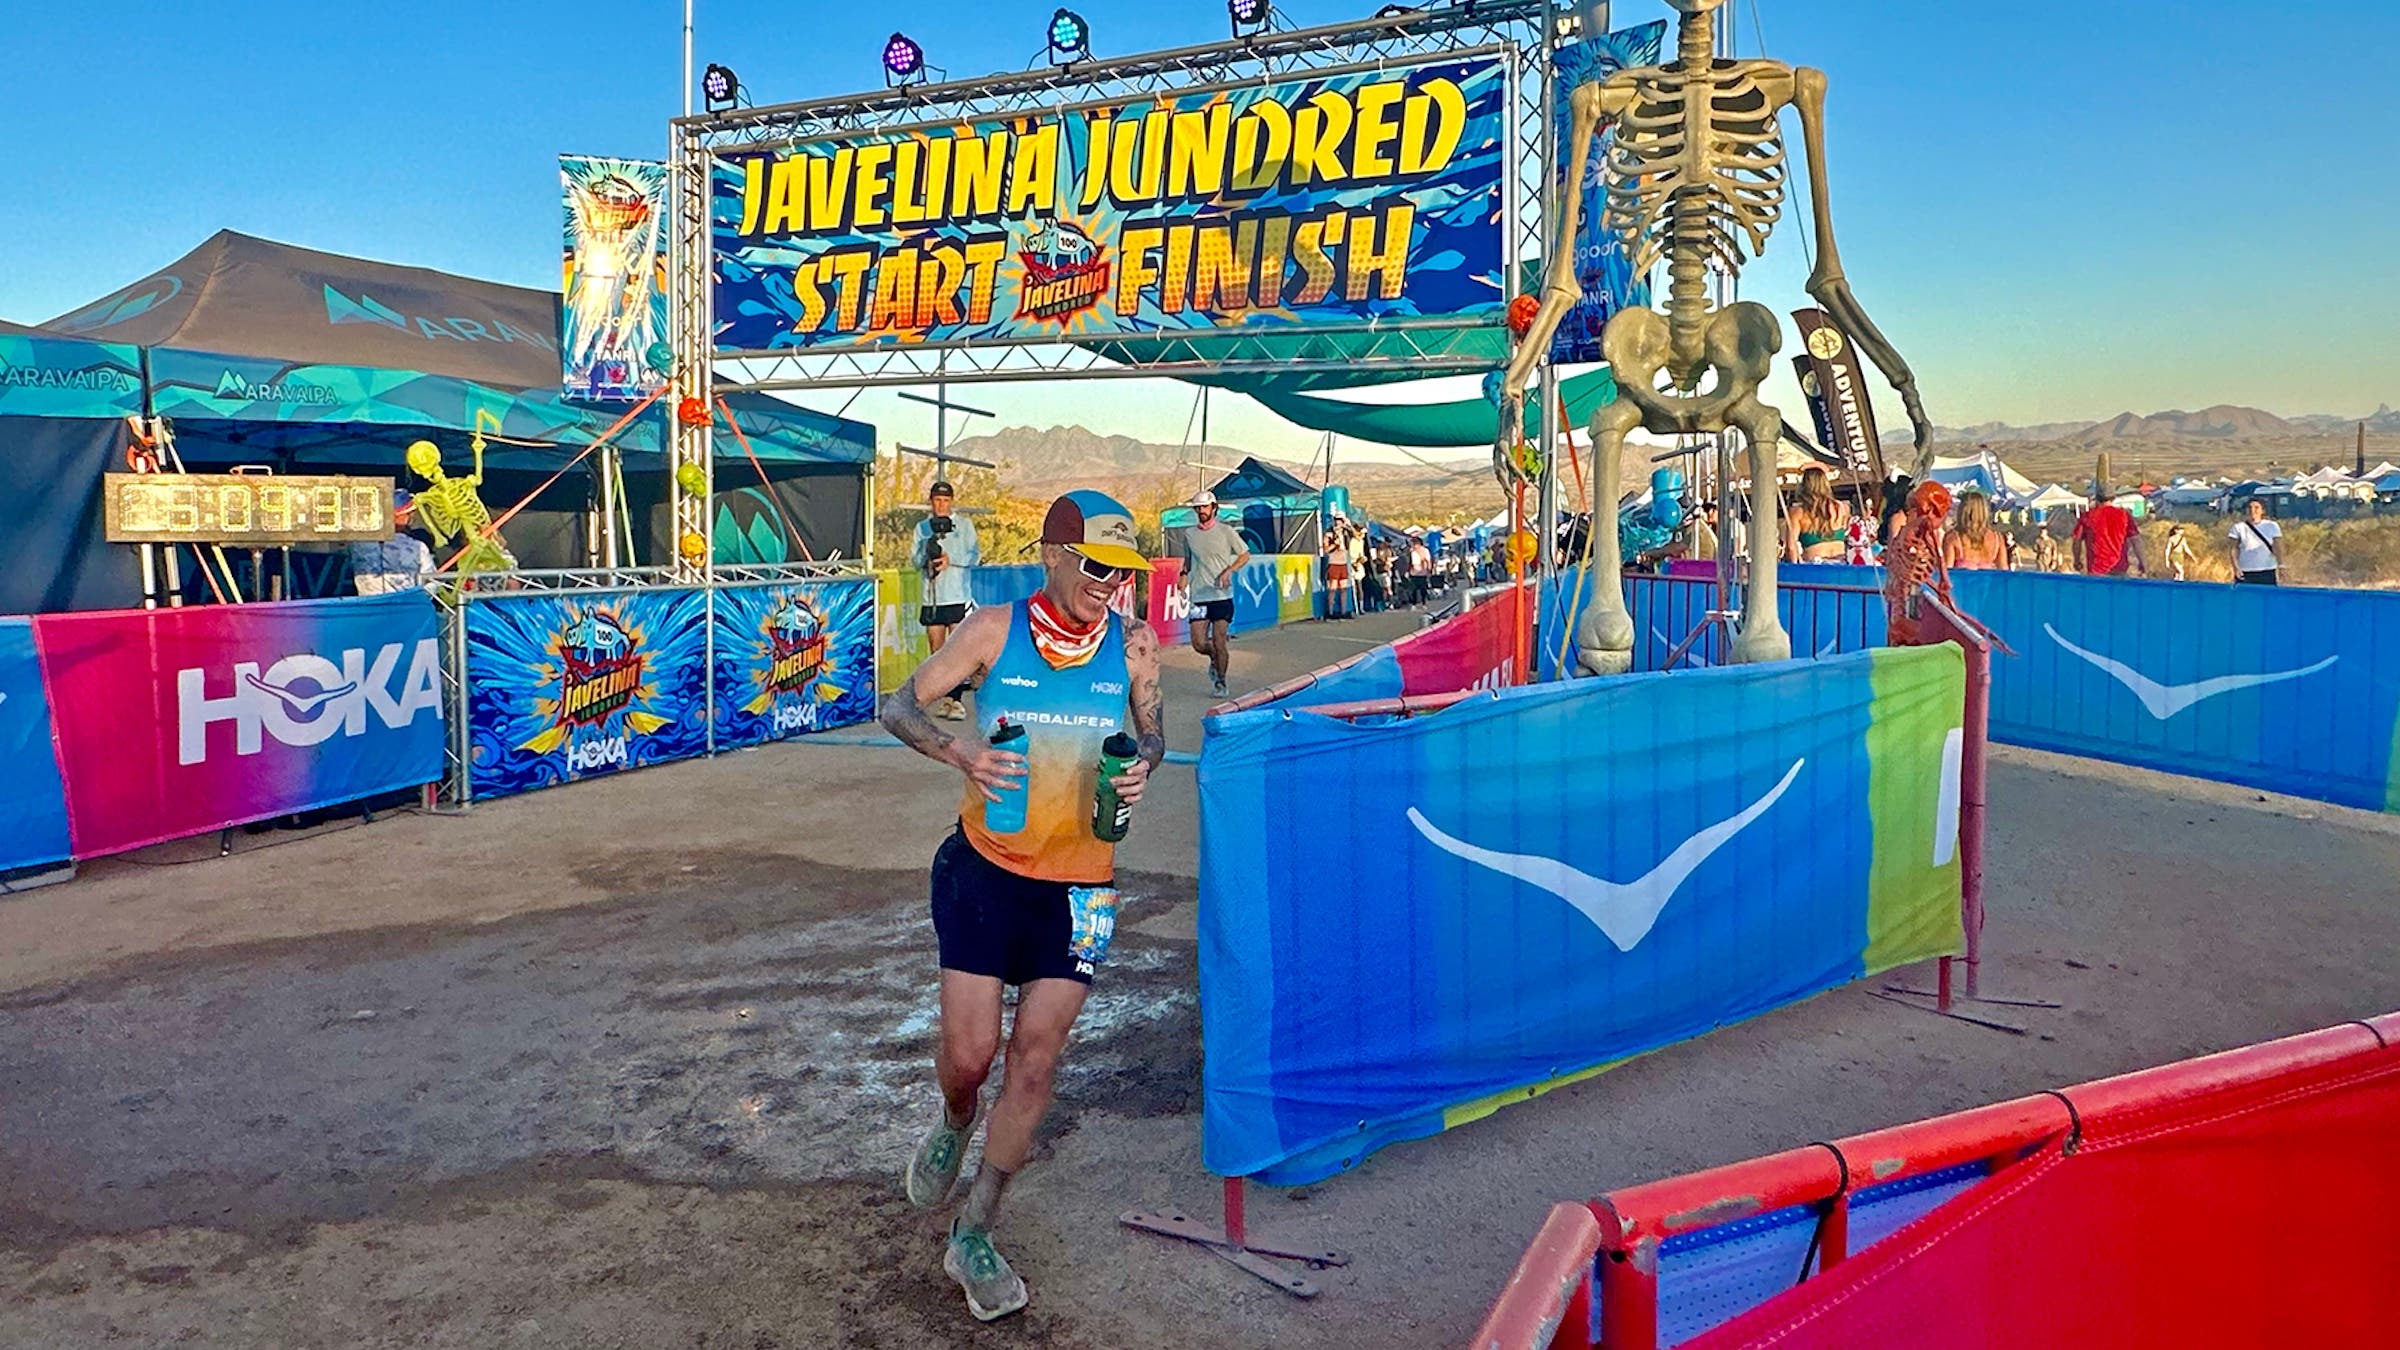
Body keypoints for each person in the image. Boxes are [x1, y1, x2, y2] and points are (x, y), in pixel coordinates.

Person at [879, 489, 1164, 1324]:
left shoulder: (1135, 644)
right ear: (1052, 555)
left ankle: (975, 1230)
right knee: (972, 1056)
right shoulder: (991, 631)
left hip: (1082, 886)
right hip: (984, 872)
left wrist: (1142, 765)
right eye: (1096, 567)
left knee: (1035, 1063)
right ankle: (954, 1117)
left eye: (1121, 572)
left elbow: (1152, 731)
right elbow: (898, 705)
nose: (1109, 585)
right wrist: (960, 752)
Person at [913, 481, 982, 719]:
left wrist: (950, 559)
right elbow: (914, 561)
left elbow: (975, 556)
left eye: (945, 500)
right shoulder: (922, 528)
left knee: (958, 651)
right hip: (932, 596)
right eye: (937, 500)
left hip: (957, 594)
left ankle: (957, 701)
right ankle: (946, 699)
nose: (941, 505)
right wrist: (927, 553)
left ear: (951, 502)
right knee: (937, 651)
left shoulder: (964, 525)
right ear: (931, 502)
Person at [1177, 490, 1250, 697]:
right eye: (1198, 508)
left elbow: (1244, 554)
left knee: (1219, 641)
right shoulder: (1189, 534)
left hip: (1221, 595)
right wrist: (1183, 575)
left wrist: (1229, 570)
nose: (1201, 511)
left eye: (1205, 507)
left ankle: (1221, 682)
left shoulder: (1226, 531)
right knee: (1199, 643)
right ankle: (1213, 658)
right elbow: (1188, 560)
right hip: (1199, 596)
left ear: (1214, 508)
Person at [1882, 480, 1955, 646]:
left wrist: (1942, 580)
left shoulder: (1912, 524)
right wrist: (1943, 577)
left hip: (1909, 580)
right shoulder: (1910, 523)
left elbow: (1933, 547)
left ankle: (1904, 646)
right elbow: (1935, 548)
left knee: (1907, 616)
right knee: (1901, 616)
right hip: (1903, 578)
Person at [348, 491, 436, 595]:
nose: (413, 516)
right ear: (402, 516)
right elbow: (430, 585)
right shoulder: (418, 547)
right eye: (410, 513)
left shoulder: (359, 543)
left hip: (368, 603)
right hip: (403, 604)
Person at [1784, 466, 1852, 562]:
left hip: (1814, 565)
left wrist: (1793, 566)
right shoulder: (1842, 508)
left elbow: (1791, 547)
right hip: (1840, 563)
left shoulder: (1798, 512)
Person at [1943, 490, 2011, 571]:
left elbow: (1947, 572)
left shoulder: (1953, 538)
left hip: (1962, 579)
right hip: (1987, 579)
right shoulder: (1997, 538)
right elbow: (2004, 571)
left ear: (1962, 511)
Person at [2227, 497, 2283, 585]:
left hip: (2267, 570)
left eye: (2256, 507)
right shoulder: (2238, 527)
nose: (2252, 510)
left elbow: (2277, 547)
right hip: (2245, 571)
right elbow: (2233, 549)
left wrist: (2281, 565)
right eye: (2249, 507)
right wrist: (2236, 567)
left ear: (2262, 511)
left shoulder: (2272, 526)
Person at [1322, 517, 1354, 618]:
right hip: (1334, 562)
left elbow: (1356, 535)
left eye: (1341, 521)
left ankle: (1343, 611)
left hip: (1343, 562)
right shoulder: (1329, 534)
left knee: (1344, 588)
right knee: (1333, 588)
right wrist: (1335, 545)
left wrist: (1349, 525)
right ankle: (1330, 611)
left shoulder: (1345, 533)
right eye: (1337, 521)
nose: (1339, 523)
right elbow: (1325, 549)